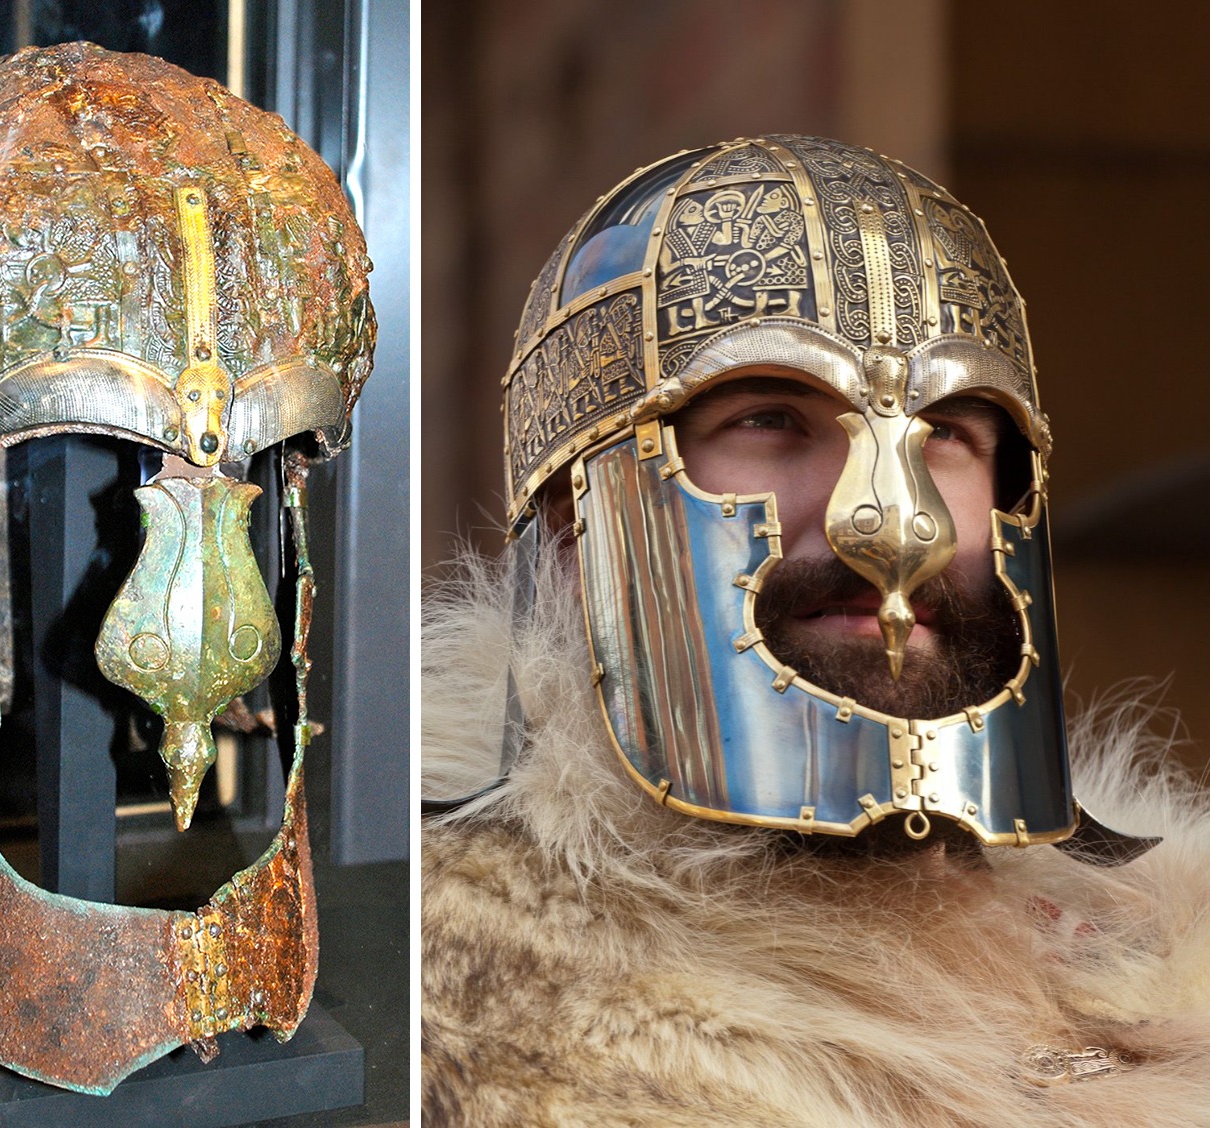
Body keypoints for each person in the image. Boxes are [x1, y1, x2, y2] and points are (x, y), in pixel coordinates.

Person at [421, 135, 1210, 1125]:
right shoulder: (476, 996)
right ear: (578, 518)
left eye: (947, 432)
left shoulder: (1169, 936)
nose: (897, 523)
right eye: (773, 418)